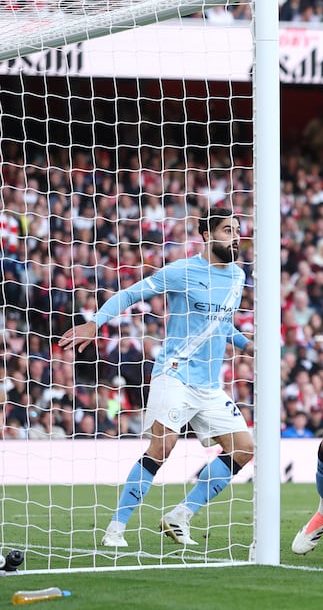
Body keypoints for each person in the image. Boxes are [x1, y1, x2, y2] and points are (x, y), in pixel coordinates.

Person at [61, 207, 255, 549]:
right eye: (227, 230)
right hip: (175, 374)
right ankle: (116, 528)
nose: (235, 237)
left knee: (244, 449)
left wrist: (246, 344)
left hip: (209, 384)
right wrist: (96, 322)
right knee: (163, 446)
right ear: (207, 235)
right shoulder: (183, 271)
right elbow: (130, 294)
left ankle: (180, 515)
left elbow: (222, 324)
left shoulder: (238, 277)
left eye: (237, 230)